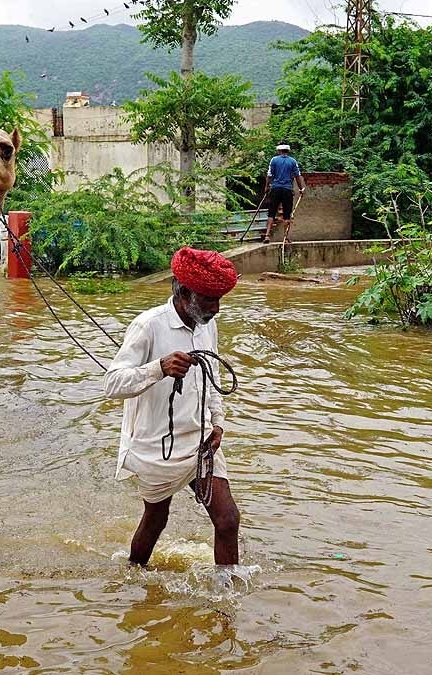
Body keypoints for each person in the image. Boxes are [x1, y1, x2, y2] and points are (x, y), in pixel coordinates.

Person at [104, 247, 241, 567]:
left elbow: (214, 377)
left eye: (218, 299)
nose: (216, 309)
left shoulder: (207, 324)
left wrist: (218, 422)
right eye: (209, 300)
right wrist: (158, 368)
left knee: (227, 519)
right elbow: (112, 384)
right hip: (156, 446)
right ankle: (133, 573)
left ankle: (227, 599)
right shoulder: (148, 325)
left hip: (200, 438)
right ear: (183, 293)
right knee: (156, 519)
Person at [263, 144, 307, 245]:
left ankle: (267, 235)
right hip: (287, 190)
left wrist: (266, 187)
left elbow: (269, 175)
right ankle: (285, 238)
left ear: (279, 150)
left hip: (275, 188)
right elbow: (297, 176)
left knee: (271, 212)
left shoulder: (274, 160)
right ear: (288, 151)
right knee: (287, 215)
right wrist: (301, 189)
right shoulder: (292, 161)